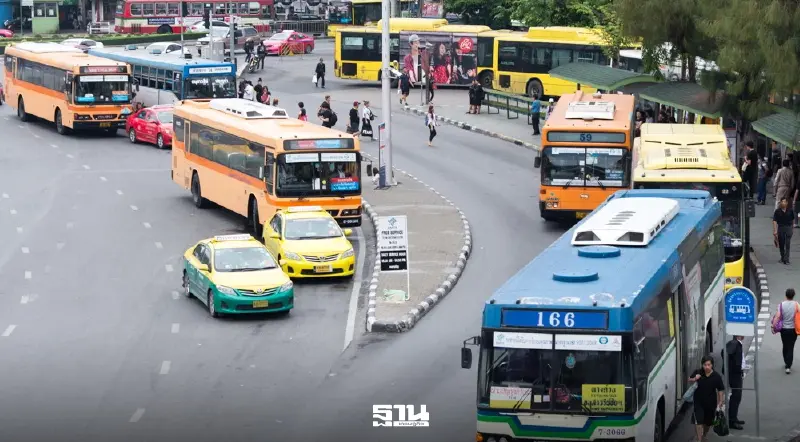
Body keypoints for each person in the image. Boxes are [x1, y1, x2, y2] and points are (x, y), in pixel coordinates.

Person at [688, 355, 725, 442]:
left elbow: (720, 389)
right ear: (702, 365)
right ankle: (699, 439)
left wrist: (720, 401)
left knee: (708, 423)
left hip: (710, 403)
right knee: (699, 421)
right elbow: (689, 379)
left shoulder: (716, 376)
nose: (707, 367)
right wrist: (694, 379)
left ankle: (704, 435)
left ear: (712, 365)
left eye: (709, 365)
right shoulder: (698, 372)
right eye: (705, 365)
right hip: (698, 402)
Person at [774, 289, 799, 373]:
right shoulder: (796, 304)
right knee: (791, 347)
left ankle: (786, 362)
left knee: (785, 345)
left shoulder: (781, 305)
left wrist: (773, 326)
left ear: (786, 295)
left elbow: (777, 316)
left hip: (784, 330)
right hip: (793, 330)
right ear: (793, 295)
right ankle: (788, 366)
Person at [725, 335, 745, 430]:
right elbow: (724, 353)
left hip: (736, 374)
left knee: (737, 396)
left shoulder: (736, 343)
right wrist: (734, 367)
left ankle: (734, 418)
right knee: (736, 396)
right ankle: (732, 421)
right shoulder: (734, 343)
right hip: (734, 375)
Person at [774, 196, 795, 265]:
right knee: (781, 243)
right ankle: (782, 257)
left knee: (787, 244)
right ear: (780, 203)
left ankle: (786, 259)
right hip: (781, 228)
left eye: (785, 202)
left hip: (788, 228)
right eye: (782, 202)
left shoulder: (790, 210)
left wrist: (792, 228)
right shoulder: (777, 211)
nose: (784, 203)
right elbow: (774, 221)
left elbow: (793, 219)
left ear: (787, 203)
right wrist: (775, 230)